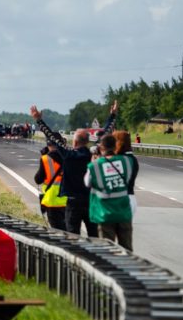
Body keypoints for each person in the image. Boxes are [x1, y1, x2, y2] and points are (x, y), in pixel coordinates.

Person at [30, 100, 118, 237]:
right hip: (90, 201)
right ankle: (93, 257)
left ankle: (75, 257)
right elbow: (105, 134)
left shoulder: (68, 154)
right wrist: (112, 116)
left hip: (72, 202)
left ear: (74, 142)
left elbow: (52, 137)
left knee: (72, 236)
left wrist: (39, 120)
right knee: (94, 236)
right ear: (87, 142)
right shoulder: (92, 152)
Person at [85, 133, 134, 250]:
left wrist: (94, 161)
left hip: (105, 213)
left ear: (101, 147)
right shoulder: (127, 161)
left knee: (107, 250)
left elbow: (87, 183)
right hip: (124, 212)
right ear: (115, 145)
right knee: (127, 249)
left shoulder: (95, 165)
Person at [34, 141, 66, 230]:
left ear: (49, 146)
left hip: (52, 201)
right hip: (68, 201)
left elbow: (38, 179)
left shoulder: (46, 159)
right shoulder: (70, 157)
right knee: (69, 231)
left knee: (56, 231)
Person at [113, 130, 139, 220]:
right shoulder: (132, 159)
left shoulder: (118, 160)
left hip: (118, 200)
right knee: (125, 232)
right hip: (130, 198)